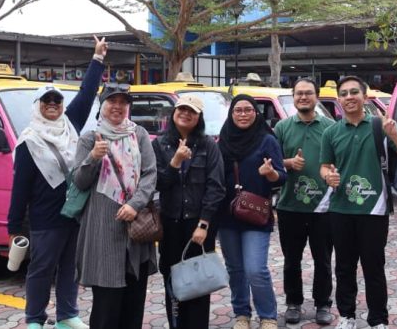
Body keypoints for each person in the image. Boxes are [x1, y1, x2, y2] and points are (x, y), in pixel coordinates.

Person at [7, 36, 108, 329]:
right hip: (45, 217)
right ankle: (34, 318)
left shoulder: (70, 125)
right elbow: (20, 188)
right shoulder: (29, 141)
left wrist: (97, 59)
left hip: (74, 212)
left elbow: (87, 94)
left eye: (57, 101)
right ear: (38, 106)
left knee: (70, 267)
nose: (52, 104)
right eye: (47, 101)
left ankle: (67, 315)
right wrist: (14, 226)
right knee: (41, 269)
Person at [319, 76, 397, 329]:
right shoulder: (331, 132)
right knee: (344, 267)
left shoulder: (381, 125)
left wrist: (394, 136)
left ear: (364, 96)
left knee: (373, 267)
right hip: (340, 209)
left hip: (374, 209)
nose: (349, 97)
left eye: (354, 92)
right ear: (339, 99)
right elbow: (324, 166)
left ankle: (378, 319)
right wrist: (328, 176)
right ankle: (347, 316)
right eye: (344, 93)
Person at [73, 82, 158, 329]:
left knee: (134, 304)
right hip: (104, 230)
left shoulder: (139, 134)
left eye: (123, 102)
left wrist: (135, 204)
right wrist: (93, 157)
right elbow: (79, 181)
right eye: (112, 101)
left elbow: (150, 174)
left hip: (136, 229)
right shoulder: (90, 138)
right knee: (106, 308)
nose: (117, 107)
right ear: (102, 105)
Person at [153, 94, 226, 329]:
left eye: (191, 111)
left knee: (199, 281)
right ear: (173, 113)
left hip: (198, 225)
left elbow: (216, 187)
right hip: (170, 224)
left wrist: (204, 223)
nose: (185, 114)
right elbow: (158, 183)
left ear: (199, 117)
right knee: (172, 281)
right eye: (181, 109)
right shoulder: (160, 144)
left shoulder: (208, 145)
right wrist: (175, 162)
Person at [217, 94, 287, 329]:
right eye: (238, 110)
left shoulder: (267, 140)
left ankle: (267, 316)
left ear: (256, 113)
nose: (243, 114)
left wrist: (271, 174)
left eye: (248, 110)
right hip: (226, 215)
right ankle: (241, 315)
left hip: (256, 213)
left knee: (255, 269)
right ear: (231, 114)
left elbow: (282, 177)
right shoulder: (223, 140)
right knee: (235, 269)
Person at [274, 77, 335, 325]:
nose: (303, 97)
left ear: (316, 96)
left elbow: (340, 160)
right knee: (291, 260)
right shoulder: (282, 128)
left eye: (308, 93)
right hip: (290, 206)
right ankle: (293, 303)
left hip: (324, 207)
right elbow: (270, 162)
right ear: (293, 97)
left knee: (323, 260)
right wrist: (288, 163)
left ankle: (323, 304)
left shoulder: (331, 127)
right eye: (299, 93)